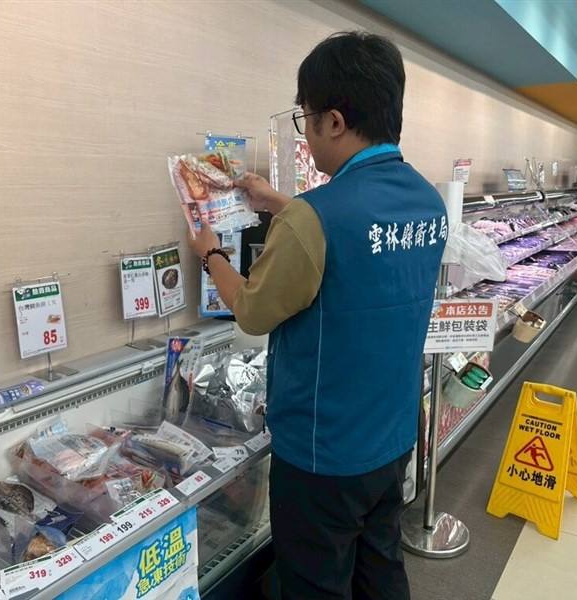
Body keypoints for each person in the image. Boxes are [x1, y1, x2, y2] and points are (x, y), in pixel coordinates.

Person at [189, 31, 447, 600]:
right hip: (394, 433)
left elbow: (253, 311)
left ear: (334, 120)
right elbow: (355, 238)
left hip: (324, 453)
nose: (305, 133)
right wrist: (279, 202)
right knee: (380, 567)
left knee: (314, 585)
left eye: (305, 117)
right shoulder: (427, 200)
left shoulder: (316, 217)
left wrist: (210, 254)